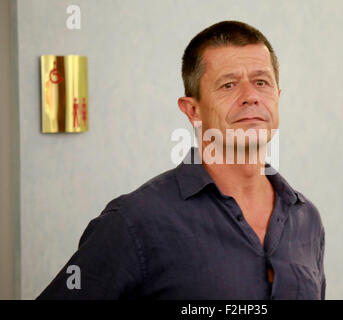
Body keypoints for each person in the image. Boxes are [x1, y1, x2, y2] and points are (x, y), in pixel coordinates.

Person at [37, 20, 326, 300]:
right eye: (228, 85)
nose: (250, 96)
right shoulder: (134, 222)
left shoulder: (306, 219)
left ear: (277, 97)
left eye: (261, 82)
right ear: (192, 111)